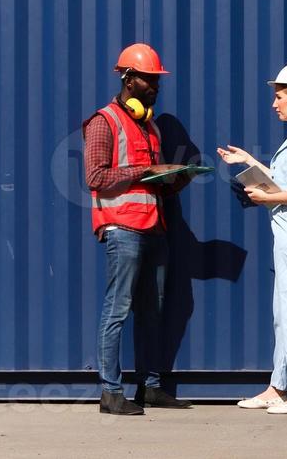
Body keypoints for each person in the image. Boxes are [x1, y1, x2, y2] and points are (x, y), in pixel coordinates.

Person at [84, 43, 200, 415]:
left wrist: (175, 178)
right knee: (118, 308)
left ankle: (149, 388)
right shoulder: (104, 121)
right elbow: (95, 176)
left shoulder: (149, 126)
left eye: (157, 80)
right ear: (128, 79)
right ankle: (110, 392)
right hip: (122, 229)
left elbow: (151, 180)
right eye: (149, 80)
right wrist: (146, 171)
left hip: (154, 227)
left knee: (153, 311)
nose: (155, 86)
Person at [216, 61, 287, 415]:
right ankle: (279, 387)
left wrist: (265, 199)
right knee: (285, 312)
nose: (274, 103)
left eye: (280, 97)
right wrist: (249, 161)